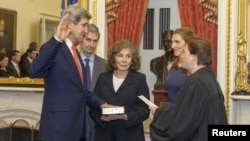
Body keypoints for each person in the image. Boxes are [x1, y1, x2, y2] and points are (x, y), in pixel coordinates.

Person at [29, 5, 112, 141]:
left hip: (75, 130)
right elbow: (34, 71)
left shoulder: (76, 53)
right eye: (84, 25)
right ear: (70, 24)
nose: (86, 31)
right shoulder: (55, 49)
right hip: (57, 131)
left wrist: (103, 104)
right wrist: (56, 39)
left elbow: (82, 92)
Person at [149, 36, 228, 141]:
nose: (180, 56)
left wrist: (159, 115)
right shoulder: (209, 78)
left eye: (184, 52)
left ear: (194, 57)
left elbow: (183, 123)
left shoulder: (195, 83)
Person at [90, 39, 150, 141]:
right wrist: (101, 117)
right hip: (105, 135)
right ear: (114, 58)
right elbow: (93, 107)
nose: (124, 60)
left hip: (131, 135)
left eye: (128, 56)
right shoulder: (103, 78)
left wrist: (127, 117)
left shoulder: (140, 79)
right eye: (120, 55)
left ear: (132, 60)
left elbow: (144, 110)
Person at [79, 23, 107, 141]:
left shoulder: (106, 65)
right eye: (88, 40)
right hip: (74, 121)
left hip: (96, 123)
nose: (92, 44)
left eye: (95, 41)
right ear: (81, 38)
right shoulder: (70, 63)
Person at [164, 27, 196, 109]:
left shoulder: (194, 67)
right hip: (170, 112)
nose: (172, 46)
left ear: (188, 44)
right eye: (172, 42)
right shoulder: (170, 66)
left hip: (186, 113)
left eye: (177, 42)